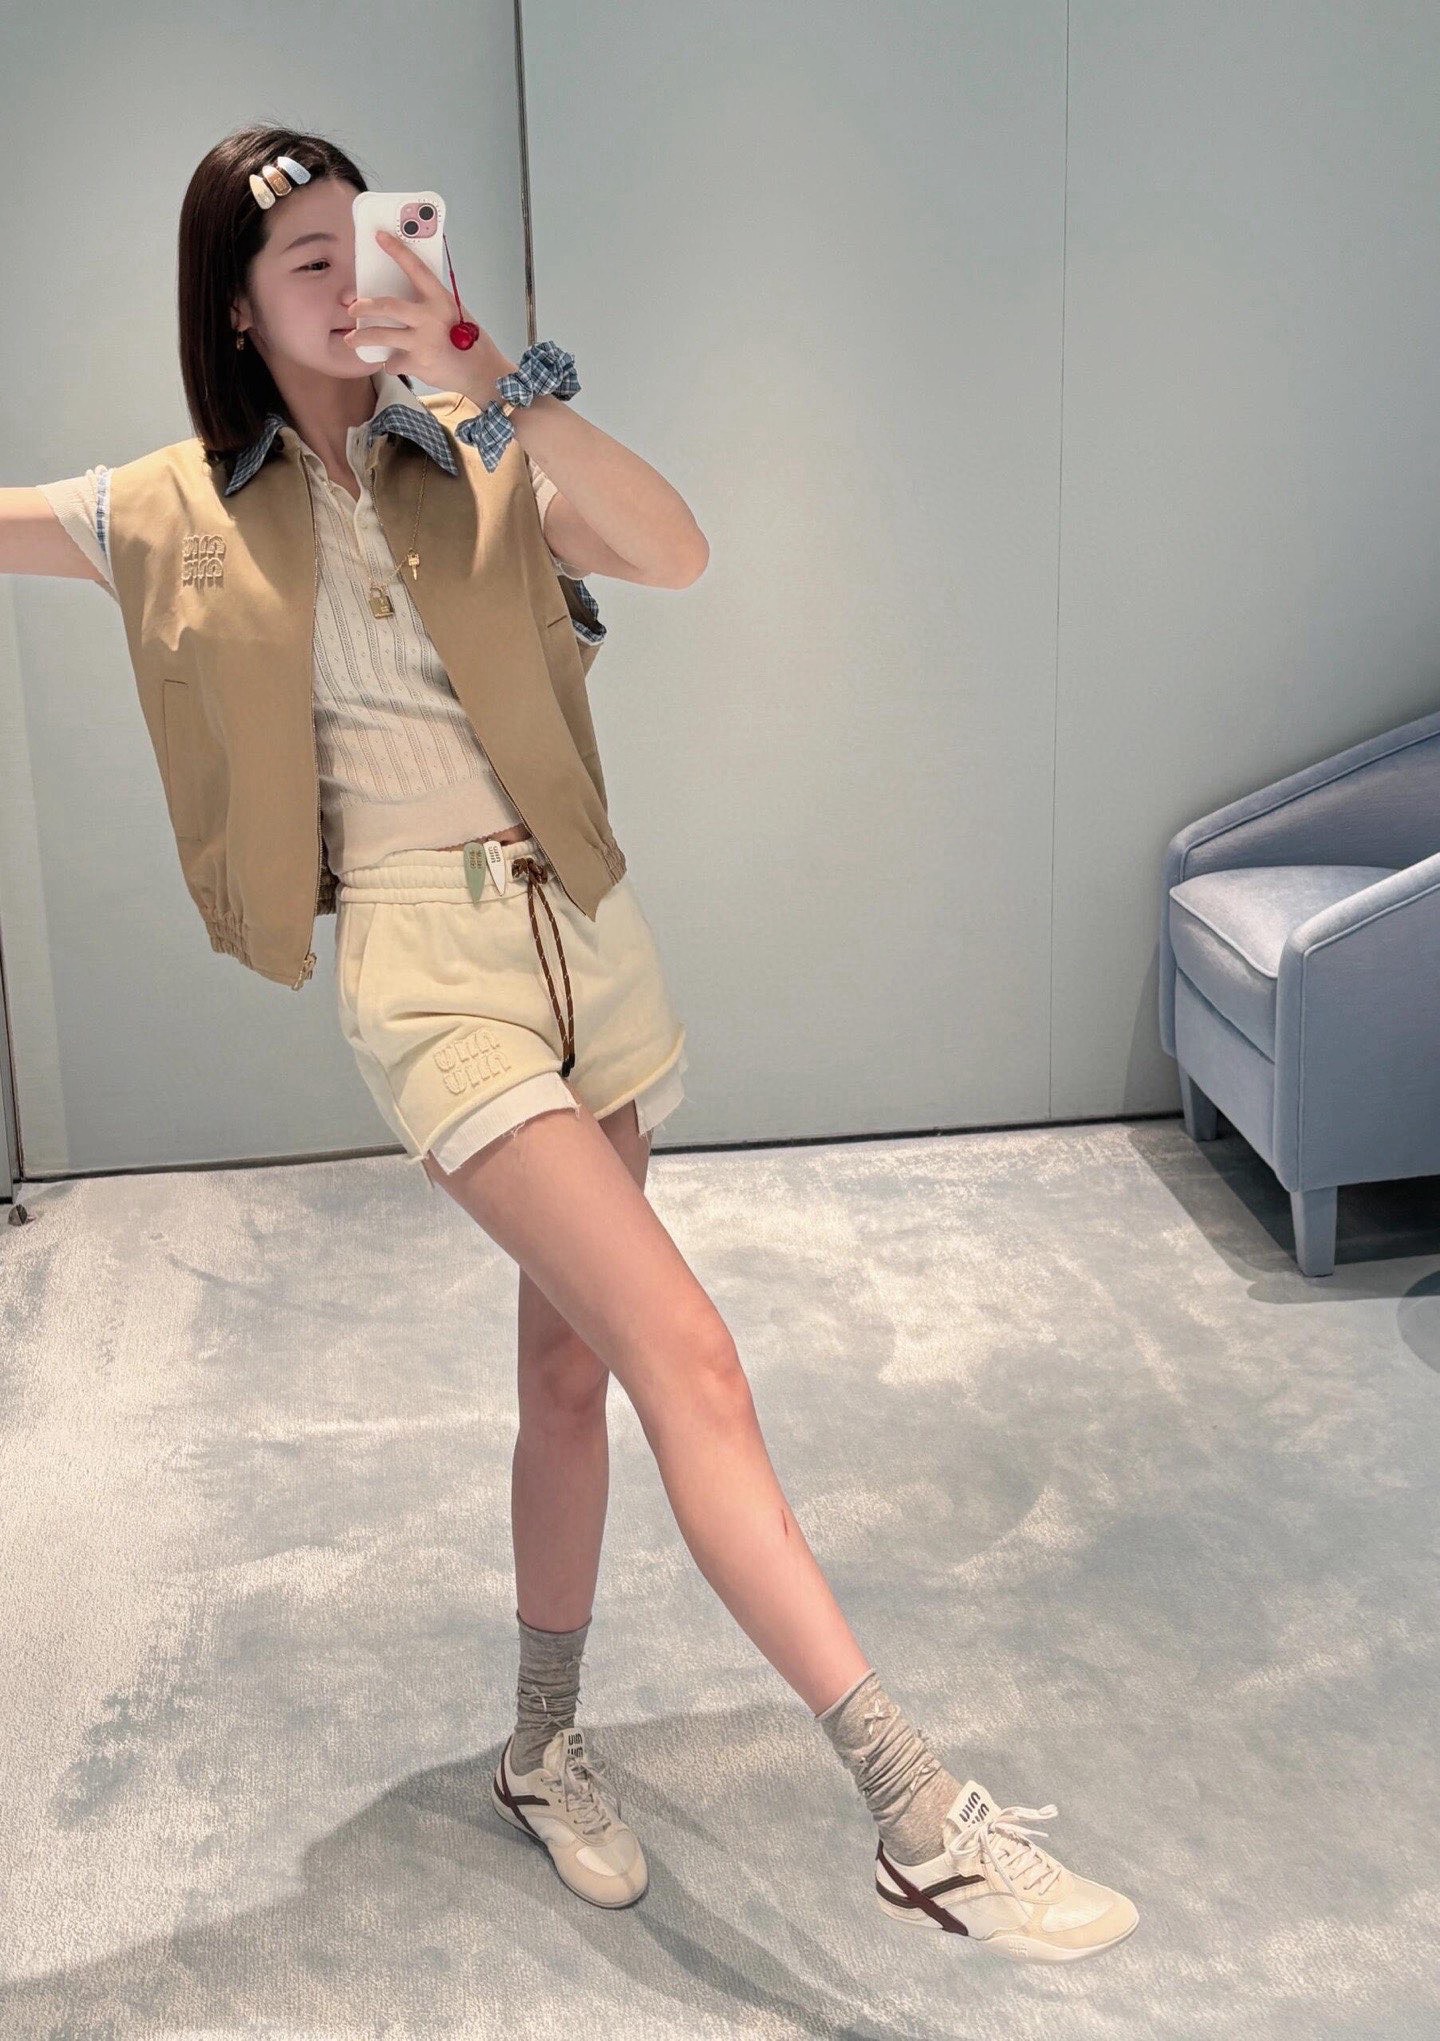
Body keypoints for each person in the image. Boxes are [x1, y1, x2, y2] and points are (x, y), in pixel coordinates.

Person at [0, 124, 1138, 1960]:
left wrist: (477, 364)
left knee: (569, 1374)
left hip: (587, 938)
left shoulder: (476, 443)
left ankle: (539, 1750)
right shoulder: (169, 505)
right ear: (235, 306)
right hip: (429, 970)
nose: (348, 280)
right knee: (691, 1350)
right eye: (306, 260)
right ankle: (918, 1809)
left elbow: (673, 548)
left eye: (367, 243)